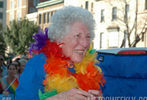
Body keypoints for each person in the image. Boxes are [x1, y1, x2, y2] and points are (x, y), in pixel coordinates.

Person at [15, 6, 105, 100]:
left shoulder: (91, 68)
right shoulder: (37, 65)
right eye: (78, 36)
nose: (85, 43)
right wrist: (61, 97)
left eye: (88, 37)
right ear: (59, 38)